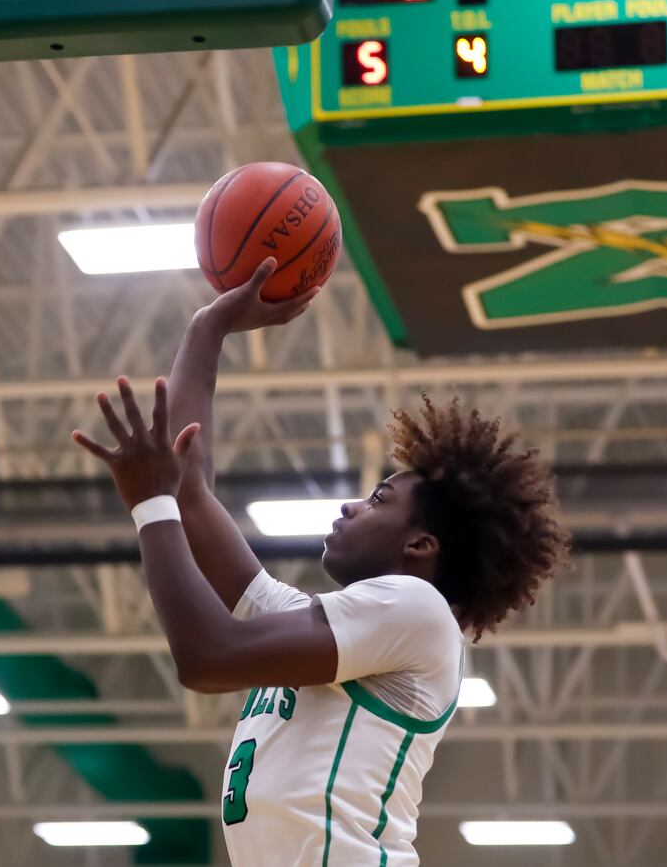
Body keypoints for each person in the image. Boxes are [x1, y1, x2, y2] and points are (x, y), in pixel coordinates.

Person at [71, 259, 569, 866]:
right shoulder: (340, 627)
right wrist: (209, 328)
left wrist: (150, 504)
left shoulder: (415, 610)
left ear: (420, 547)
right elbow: (190, 488)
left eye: (379, 498)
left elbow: (206, 656)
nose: (351, 505)